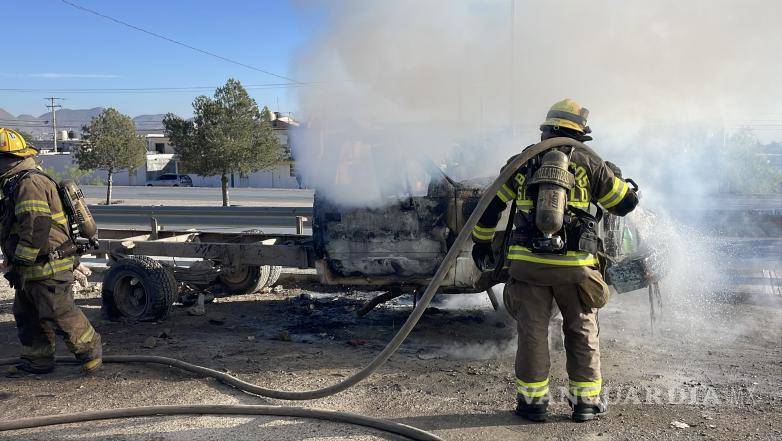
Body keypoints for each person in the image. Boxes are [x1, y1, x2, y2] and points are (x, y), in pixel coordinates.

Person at [471, 100, 638, 422]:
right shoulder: (591, 162)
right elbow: (624, 205)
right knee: (581, 332)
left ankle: (532, 404)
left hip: (527, 266)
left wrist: (481, 242)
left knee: (532, 333)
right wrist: (623, 183)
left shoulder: (523, 160)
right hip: (575, 269)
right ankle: (586, 403)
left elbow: (490, 205)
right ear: (580, 134)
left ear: (546, 128)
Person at [0, 128, 102, 375]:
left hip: (48, 264)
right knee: (28, 315)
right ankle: (38, 360)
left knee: (58, 312)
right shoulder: (14, 183)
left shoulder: (29, 183)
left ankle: (90, 352)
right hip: (32, 266)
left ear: (7, 158)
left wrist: (20, 262)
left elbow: (36, 225)